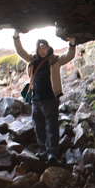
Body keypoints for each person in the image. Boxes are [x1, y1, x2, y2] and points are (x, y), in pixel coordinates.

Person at [13, 31, 76, 163]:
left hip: (51, 99)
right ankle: (43, 150)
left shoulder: (55, 60)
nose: (43, 49)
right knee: (39, 126)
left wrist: (72, 43)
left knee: (52, 126)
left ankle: (52, 153)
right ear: (37, 48)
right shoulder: (32, 60)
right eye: (41, 47)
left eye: (45, 47)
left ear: (48, 48)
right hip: (36, 100)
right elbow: (20, 51)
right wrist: (16, 36)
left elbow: (70, 56)